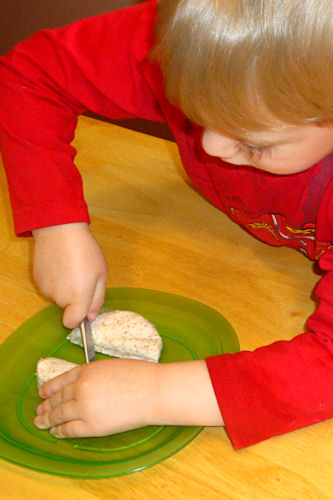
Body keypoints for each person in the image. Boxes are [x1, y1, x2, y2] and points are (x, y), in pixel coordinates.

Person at [0, 0, 332, 450]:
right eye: (192, 115)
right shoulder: (194, 37)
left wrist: (155, 394)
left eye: (254, 143)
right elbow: (29, 75)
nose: (210, 146)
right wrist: (57, 224)